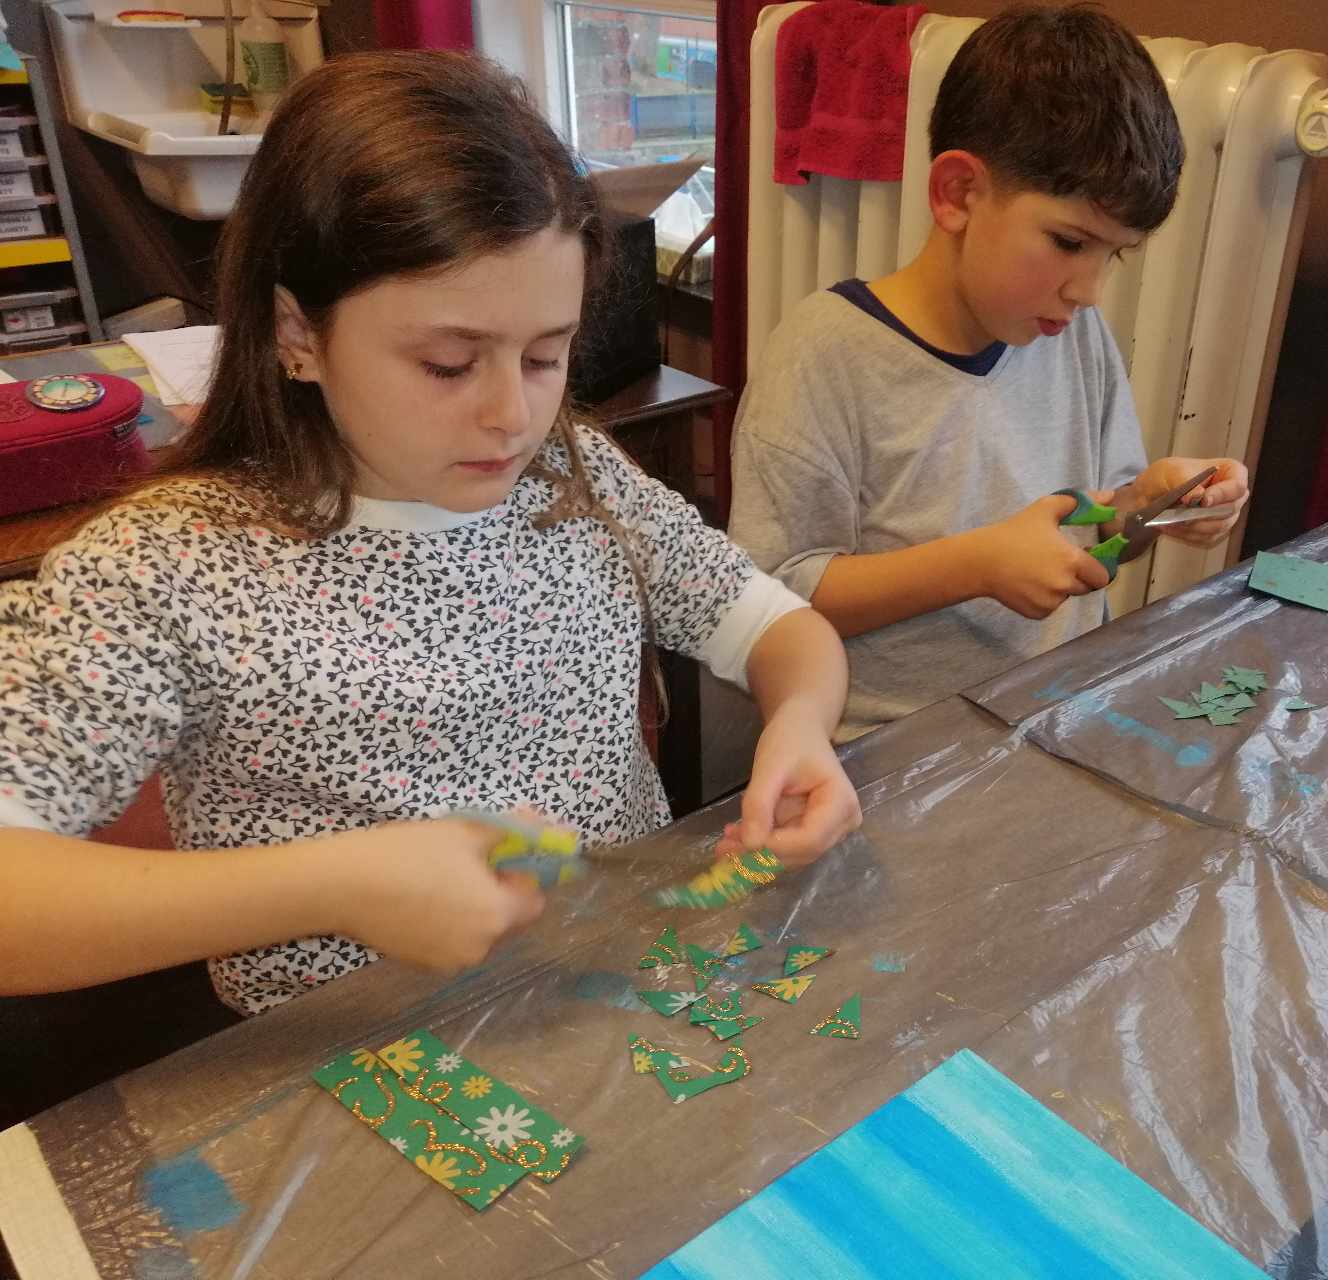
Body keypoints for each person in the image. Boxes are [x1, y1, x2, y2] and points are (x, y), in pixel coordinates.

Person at [0, 52, 860, 1016]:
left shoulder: (575, 475)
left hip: (619, 988)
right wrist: (333, 887)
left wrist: (799, 725)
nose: (511, 417)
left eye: (545, 356)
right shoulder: (164, 568)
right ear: (297, 334)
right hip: (358, 1053)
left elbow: (778, 627)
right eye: (449, 365)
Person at [730, 4, 1252, 740]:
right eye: (1069, 242)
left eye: (1115, 254)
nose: (1089, 290)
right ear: (958, 194)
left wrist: (1150, 503)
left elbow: (1100, 522)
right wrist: (975, 565)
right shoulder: (823, 356)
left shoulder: (1076, 335)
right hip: (891, 747)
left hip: (1058, 712)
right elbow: (770, 597)